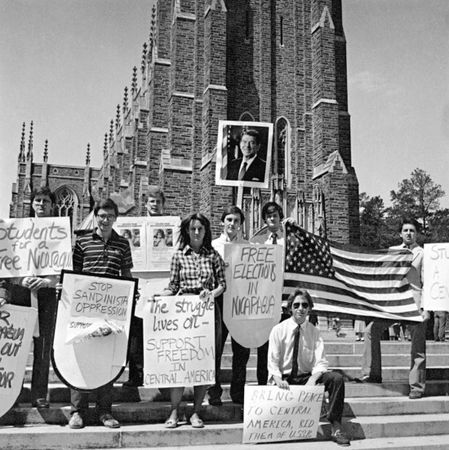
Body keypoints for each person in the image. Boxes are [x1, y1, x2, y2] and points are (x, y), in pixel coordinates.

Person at [69, 198, 133, 429]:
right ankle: (78, 411)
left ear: (116, 219)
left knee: (107, 360)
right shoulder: (82, 242)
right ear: (95, 217)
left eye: (110, 216)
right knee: (82, 359)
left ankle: (105, 411)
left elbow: (126, 274)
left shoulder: (123, 244)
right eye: (101, 216)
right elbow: (74, 273)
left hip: (111, 310)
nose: (105, 220)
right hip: (84, 310)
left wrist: (130, 294)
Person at [160, 213, 226, 429]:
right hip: (184, 313)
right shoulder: (178, 256)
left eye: (200, 228)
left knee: (202, 362)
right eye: (192, 229)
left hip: (207, 311)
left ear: (206, 232)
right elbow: (172, 285)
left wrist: (211, 294)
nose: (196, 232)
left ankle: (196, 412)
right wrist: (161, 297)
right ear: (187, 231)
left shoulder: (214, 255)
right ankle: (174, 411)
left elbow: (222, 285)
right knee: (180, 362)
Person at [268, 289, 350, 446]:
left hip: (306, 378)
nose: (300, 308)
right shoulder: (278, 330)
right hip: (285, 379)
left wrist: (313, 379)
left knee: (336, 378)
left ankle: (336, 426)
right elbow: (273, 360)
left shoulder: (315, 332)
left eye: (304, 305)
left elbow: (321, 362)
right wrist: (277, 378)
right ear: (290, 307)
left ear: (309, 308)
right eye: (296, 305)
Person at [360, 217, 429, 399]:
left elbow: (428, 282)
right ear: (400, 233)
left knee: (418, 345)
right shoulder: (392, 251)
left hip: (414, 301)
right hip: (393, 301)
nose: (408, 233)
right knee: (371, 331)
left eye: (412, 230)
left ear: (417, 234)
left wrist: (426, 308)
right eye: (405, 230)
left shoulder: (423, 253)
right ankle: (372, 373)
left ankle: (416, 386)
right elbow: (383, 276)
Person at [3, 187, 59, 408]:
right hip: (21, 294)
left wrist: (48, 282)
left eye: (46, 201)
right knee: (17, 346)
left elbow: (62, 267)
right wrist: (19, 281)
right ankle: (13, 393)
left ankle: (39, 394)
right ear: (32, 203)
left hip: (46, 296)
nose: (41, 204)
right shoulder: (17, 230)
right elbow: (7, 265)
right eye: (38, 200)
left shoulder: (58, 231)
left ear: (52, 205)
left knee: (43, 346)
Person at [207, 205, 250, 406]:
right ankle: (213, 391)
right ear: (222, 222)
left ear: (241, 225)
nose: (232, 224)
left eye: (236, 221)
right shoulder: (213, 245)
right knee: (214, 348)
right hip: (219, 300)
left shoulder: (248, 247)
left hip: (240, 302)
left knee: (241, 350)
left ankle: (238, 392)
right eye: (229, 220)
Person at [124, 186, 166, 388]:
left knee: (157, 333)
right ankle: (135, 375)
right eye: (151, 201)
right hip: (139, 284)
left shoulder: (170, 228)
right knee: (136, 335)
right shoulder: (135, 226)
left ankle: (157, 374)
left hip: (160, 285)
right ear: (146, 204)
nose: (155, 205)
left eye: (158, 202)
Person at [250, 201, 286, 386]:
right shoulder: (257, 241)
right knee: (265, 346)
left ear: (281, 218)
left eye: (275, 215)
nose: (272, 218)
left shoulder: (289, 240)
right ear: (264, 219)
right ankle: (263, 384)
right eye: (269, 216)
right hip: (264, 300)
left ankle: (284, 383)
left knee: (285, 344)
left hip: (285, 298)